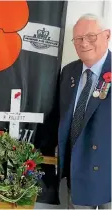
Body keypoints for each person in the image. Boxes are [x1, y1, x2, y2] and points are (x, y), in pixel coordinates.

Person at [58, 14, 111, 209]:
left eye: (91, 36)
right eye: (78, 39)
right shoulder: (68, 72)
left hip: (108, 174)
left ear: (107, 35)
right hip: (75, 171)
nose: (84, 43)